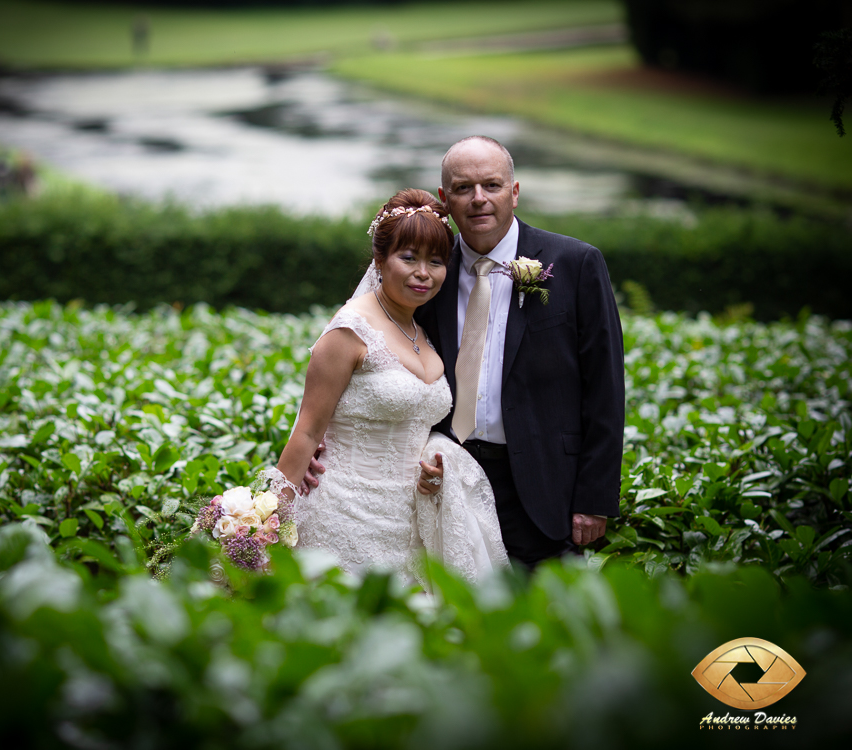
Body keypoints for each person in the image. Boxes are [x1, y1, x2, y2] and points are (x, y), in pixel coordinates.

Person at [266, 189, 508, 582]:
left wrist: (434, 460)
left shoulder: (421, 331)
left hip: (410, 520)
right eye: (408, 258)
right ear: (380, 260)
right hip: (342, 512)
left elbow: (418, 421)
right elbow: (308, 430)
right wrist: (268, 521)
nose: (423, 273)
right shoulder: (350, 329)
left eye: (435, 261)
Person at [414, 136, 625, 568]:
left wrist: (594, 498)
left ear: (514, 191)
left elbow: (605, 388)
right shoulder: (427, 274)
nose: (478, 200)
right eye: (462, 188)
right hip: (451, 480)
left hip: (548, 487)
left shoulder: (576, 263)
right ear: (444, 199)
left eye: (491, 185)